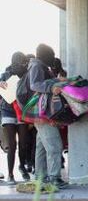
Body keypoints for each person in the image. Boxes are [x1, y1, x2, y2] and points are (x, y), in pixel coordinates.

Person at [26, 44, 67, 189]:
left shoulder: (38, 65)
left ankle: (40, 177)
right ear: (45, 55)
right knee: (54, 145)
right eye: (51, 54)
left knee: (41, 146)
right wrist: (52, 87)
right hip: (41, 112)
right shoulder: (37, 65)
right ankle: (54, 177)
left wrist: (56, 81)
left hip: (39, 112)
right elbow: (35, 84)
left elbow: (41, 83)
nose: (53, 58)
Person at [0, 52, 30, 184]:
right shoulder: (5, 75)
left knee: (23, 144)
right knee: (12, 145)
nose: (19, 64)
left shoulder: (26, 75)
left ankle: (22, 166)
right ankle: (10, 174)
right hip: (7, 112)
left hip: (22, 112)